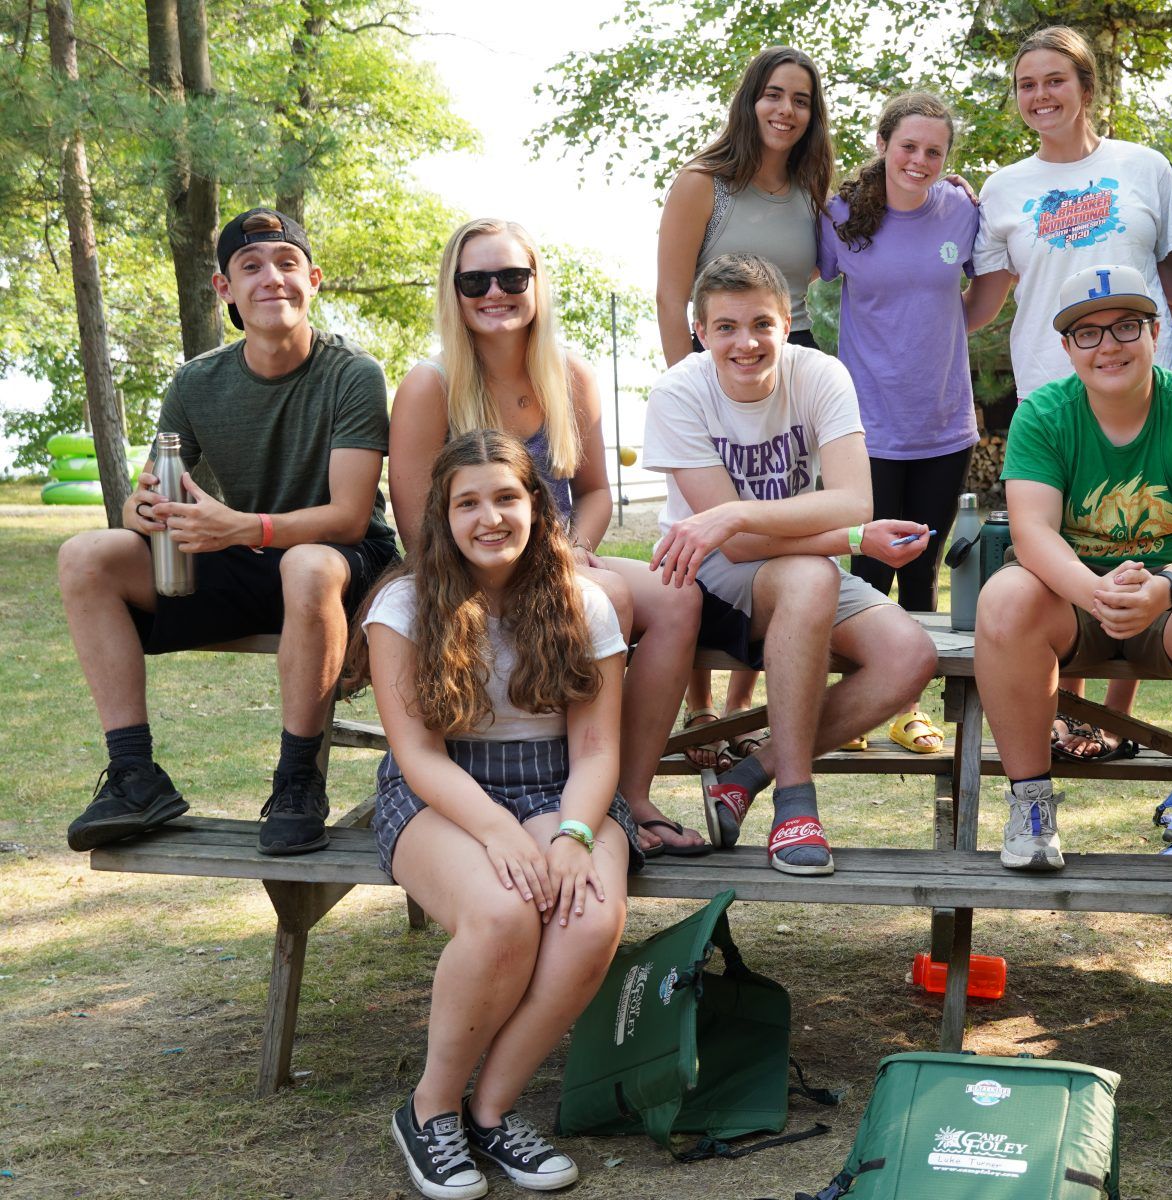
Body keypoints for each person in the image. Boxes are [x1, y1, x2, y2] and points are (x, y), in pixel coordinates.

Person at [348, 430, 639, 1200]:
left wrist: (575, 835)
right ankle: (429, 1108)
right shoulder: (403, 606)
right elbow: (418, 756)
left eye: (506, 497)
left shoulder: (586, 602)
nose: (489, 517)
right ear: (441, 518)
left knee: (587, 917)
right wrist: (500, 832)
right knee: (506, 912)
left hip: (560, 789)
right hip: (442, 793)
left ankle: (491, 1111)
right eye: (466, 502)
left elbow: (599, 749)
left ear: (536, 506)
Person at [61, 207, 398, 857]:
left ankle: (298, 781)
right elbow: (147, 496)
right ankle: (135, 775)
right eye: (250, 267)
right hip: (242, 553)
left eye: (287, 263)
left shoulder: (353, 374)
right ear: (225, 290)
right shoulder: (194, 382)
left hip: (343, 562)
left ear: (314, 280)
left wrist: (240, 525)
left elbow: (351, 515)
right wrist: (146, 513)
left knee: (306, 563)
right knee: (86, 556)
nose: (271, 278)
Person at [390, 217, 708, 857]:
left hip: (559, 552)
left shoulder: (570, 376)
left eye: (512, 276)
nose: (494, 292)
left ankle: (630, 795)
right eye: (474, 280)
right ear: (453, 292)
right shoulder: (432, 385)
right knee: (608, 597)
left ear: (536, 284)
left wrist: (570, 550)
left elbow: (593, 492)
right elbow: (419, 525)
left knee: (678, 596)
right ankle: (574, 783)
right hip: (468, 567)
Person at [642, 253, 939, 876]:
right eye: (725, 327)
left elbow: (855, 497)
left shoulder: (821, 375)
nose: (745, 342)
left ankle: (745, 777)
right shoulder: (677, 392)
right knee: (812, 574)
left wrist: (746, 514)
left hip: (789, 556)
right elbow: (737, 545)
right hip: (705, 575)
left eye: (761, 324)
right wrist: (850, 537)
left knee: (909, 657)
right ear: (701, 332)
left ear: (786, 323)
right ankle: (795, 804)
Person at [974, 264, 1172, 875]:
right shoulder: (1044, 413)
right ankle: (1030, 808)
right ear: (1066, 347)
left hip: (1170, 602)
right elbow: (1032, 532)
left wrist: (1164, 589)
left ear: (1155, 333)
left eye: (1126, 326)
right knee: (1004, 597)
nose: (1108, 345)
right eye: (1088, 333)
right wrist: (1096, 592)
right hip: (1070, 600)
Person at [965, 24, 1172, 763]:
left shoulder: (1146, 167)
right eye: (1027, 84)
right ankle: (1061, 717)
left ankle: (1112, 717)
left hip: (1143, 389)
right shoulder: (1003, 190)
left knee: (1141, 539)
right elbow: (984, 303)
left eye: (1055, 80)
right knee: (1054, 560)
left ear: (1087, 88)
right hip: (1050, 393)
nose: (1040, 96)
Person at [656, 46, 837, 766]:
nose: (785, 110)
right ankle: (697, 712)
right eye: (773, 94)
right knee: (704, 534)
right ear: (749, 100)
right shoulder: (704, 182)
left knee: (777, 525)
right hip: (709, 369)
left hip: (784, 364)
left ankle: (743, 711)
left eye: (800, 98)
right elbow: (673, 293)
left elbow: (863, 238)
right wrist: (691, 386)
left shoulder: (809, 189)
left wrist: (942, 190)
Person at [819, 90, 984, 753]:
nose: (919, 160)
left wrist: (945, 337)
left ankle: (908, 708)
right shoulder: (840, 216)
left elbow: (984, 292)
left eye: (933, 151)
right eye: (908, 146)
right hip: (867, 428)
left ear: (947, 160)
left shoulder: (963, 212)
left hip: (944, 424)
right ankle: (856, 699)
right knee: (863, 574)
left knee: (922, 571)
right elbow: (805, 283)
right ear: (885, 143)